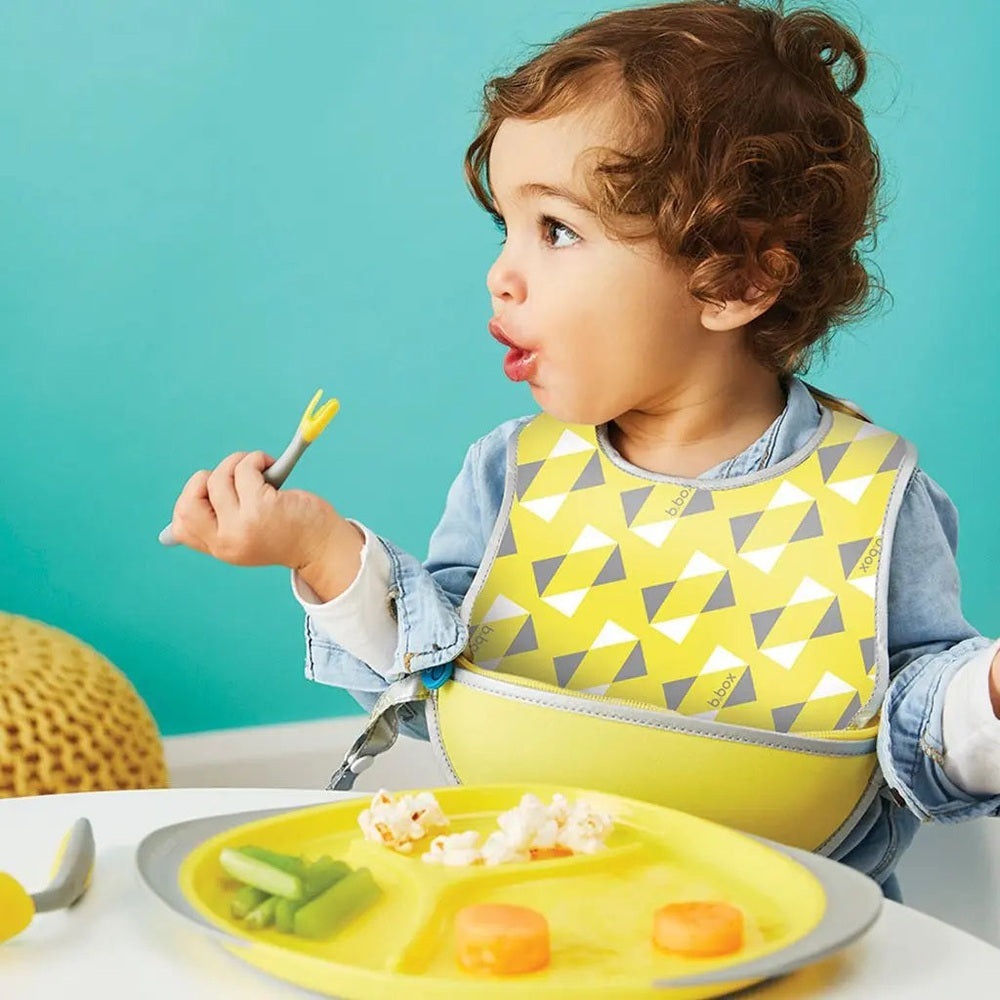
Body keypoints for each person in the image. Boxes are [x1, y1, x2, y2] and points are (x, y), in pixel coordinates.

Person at [167, 0, 1000, 899]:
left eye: (557, 230)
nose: (502, 272)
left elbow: (918, 723)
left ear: (739, 276)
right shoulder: (512, 473)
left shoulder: (871, 496)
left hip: (796, 939)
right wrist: (313, 545)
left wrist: (987, 691)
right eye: (506, 227)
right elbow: (437, 677)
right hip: (535, 918)